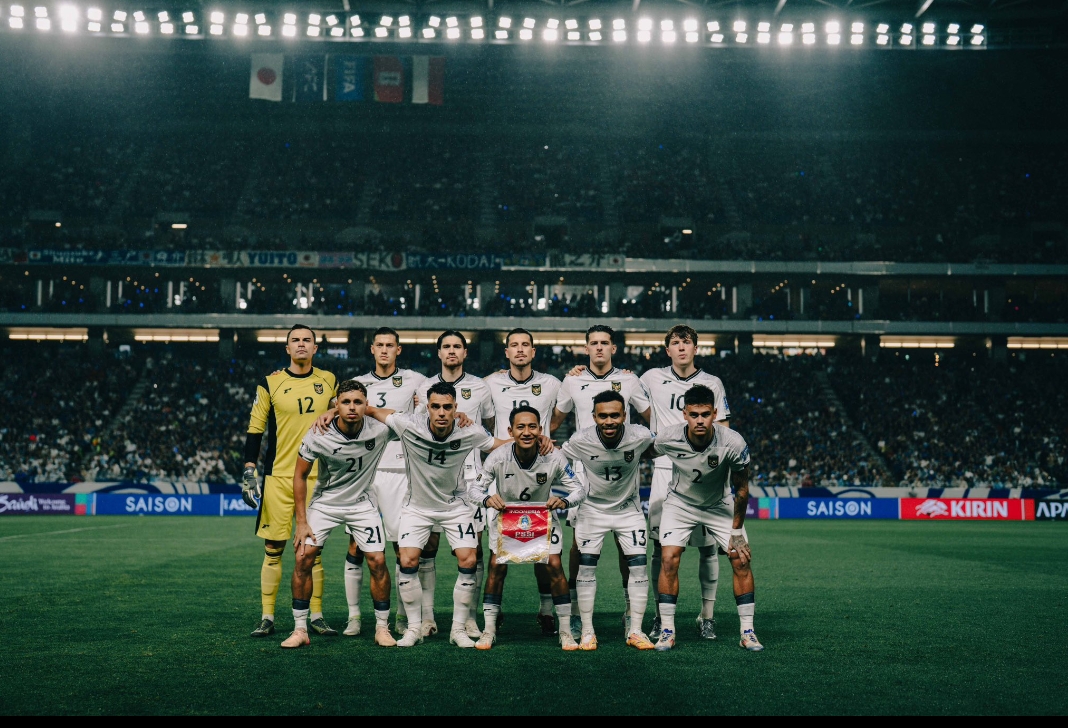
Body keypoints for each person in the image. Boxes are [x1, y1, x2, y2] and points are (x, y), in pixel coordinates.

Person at [362, 380, 551, 648]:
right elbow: (368, 410)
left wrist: (533, 438)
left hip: (455, 505)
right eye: (436, 407)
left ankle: (458, 629)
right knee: (407, 560)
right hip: (417, 506)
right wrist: (331, 410)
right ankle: (414, 628)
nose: (441, 412)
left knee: (468, 559)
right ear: (427, 408)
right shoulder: (408, 424)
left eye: (447, 407)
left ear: (455, 408)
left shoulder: (468, 431)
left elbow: (498, 444)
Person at [551, 324, 652, 639]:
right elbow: (553, 422)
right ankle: (577, 615)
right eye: (593, 343)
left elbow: (653, 420)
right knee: (578, 548)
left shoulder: (629, 380)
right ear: (586, 348)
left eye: (604, 343)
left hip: (621, 467)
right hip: (582, 468)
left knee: (628, 548)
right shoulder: (572, 379)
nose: (598, 348)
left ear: (614, 348)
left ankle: (628, 613)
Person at [281, 380, 397, 649]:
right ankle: (300, 629)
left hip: (362, 503)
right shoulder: (318, 433)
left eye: (358, 402)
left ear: (366, 405)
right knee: (303, 558)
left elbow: (406, 420)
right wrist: (301, 521)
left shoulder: (380, 429)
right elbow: (299, 476)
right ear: (336, 404)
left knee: (378, 561)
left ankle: (382, 628)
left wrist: (370, 411)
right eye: (345, 402)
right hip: (325, 503)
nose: (352, 407)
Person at [242, 324, 338, 638]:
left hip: (315, 479)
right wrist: (248, 470)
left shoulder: (328, 381)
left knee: (313, 550)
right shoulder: (270, 382)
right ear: (287, 348)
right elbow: (255, 429)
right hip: (279, 478)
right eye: (294, 340)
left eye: (306, 340)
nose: (300, 345)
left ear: (314, 348)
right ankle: (267, 616)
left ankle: (317, 615)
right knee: (273, 548)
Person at [651, 384, 762, 652]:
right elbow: (641, 453)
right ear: (684, 414)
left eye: (705, 414)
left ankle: (747, 631)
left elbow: (742, 489)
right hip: (680, 503)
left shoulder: (733, 442)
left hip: (718, 503)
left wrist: (737, 531)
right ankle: (667, 630)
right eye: (693, 414)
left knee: (741, 559)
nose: (699, 420)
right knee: (668, 558)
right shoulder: (668, 437)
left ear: (714, 413)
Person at [639, 324, 731, 641]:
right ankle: (659, 614)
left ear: (696, 348)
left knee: (707, 549)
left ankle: (707, 616)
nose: (681, 348)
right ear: (667, 350)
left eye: (686, 342)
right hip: (664, 471)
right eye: (675, 343)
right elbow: (622, 392)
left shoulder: (712, 383)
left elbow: (724, 429)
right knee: (660, 549)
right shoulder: (650, 378)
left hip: (703, 475)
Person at [468, 405, 586, 651]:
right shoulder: (498, 456)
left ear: (540, 429)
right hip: (507, 516)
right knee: (496, 567)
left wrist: (564, 501)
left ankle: (564, 631)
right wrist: (487, 500)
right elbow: (474, 489)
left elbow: (579, 489)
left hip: (541, 516)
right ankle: (489, 630)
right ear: (510, 431)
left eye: (532, 426)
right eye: (520, 427)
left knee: (553, 565)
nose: (526, 432)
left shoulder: (553, 456)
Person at [560, 390, 657, 651]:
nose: (609, 421)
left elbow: (662, 445)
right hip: (592, 510)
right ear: (593, 417)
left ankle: (635, 630)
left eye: (615, 415)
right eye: (603, 416)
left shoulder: (640, 435)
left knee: (638, 567)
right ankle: (588, 632)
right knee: (586, 568)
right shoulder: (580, 439)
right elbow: (557, 459)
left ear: (625, 415)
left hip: (629, 510)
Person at [346, 327, 426, 637]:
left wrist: (373, 411)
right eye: (378, 345)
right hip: (364, 471)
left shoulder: (416, 381)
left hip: (399, 471)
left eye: (389, 345)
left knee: (400, 545)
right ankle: (355, 617)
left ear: (398, 350)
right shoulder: (357, 384)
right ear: (371, 349)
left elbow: (418, 419)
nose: (383, 350)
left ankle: (404, 615)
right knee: (356, 546)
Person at [415, 330, 495, 640]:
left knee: (473, 549)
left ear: (465, 353)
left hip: (471, 478)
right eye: (446, 346)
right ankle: (427, 616)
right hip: (434, 478)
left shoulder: (480, 387)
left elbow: (487, 429)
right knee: (428, 547)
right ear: (438, 352)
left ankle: (471, 618)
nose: (452, 351)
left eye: (457, 347)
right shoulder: (424, 388)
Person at [483, 328, 563, 635]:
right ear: (506, 353)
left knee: (543, 552)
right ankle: (494, 615)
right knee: (497, 554)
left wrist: (545, 436)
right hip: (504, 470)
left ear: (533, 351)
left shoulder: (552, 383)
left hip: (537, 469)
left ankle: (546, 611)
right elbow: (486, 418)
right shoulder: (491, 382)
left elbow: (561, 412)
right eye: (513, 345)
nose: (520, 350)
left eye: (525, 345)